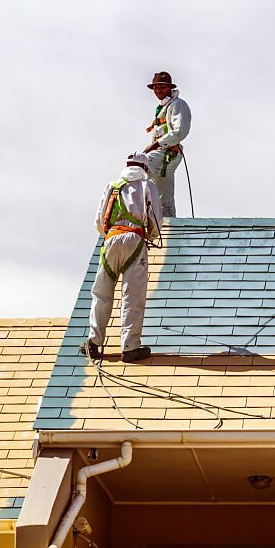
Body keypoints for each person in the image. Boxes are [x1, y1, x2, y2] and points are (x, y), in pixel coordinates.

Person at [82, 152, 163, 363]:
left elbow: (100, 222)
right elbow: (155, 220)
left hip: (111, 239)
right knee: (132, 296)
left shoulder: (113, 186)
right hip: (134, 240)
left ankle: (93, 343)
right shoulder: (147, 186)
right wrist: (151, 234)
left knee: (101, 292)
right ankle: (129, 347)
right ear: (145, 169)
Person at [142, 71, 191, 218]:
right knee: (164, 193)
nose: (158, 90)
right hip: (164, 152)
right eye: (156, 88)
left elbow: (180, 131)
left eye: (161, 87)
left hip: (167, 152)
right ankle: (168, 221)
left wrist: (156, 144)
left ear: (170, 87)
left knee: (139, 168)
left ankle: (134, 213)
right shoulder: (164, 106)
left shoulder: (177, 104)